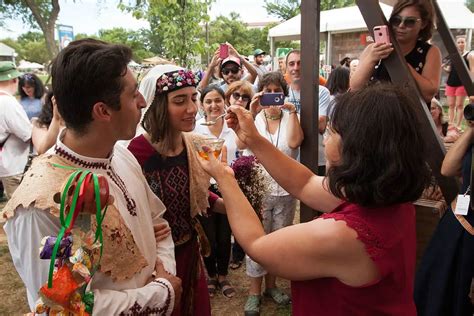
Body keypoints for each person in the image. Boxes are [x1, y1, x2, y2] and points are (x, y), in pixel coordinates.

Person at [199, 83, 430, 315]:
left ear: (357, 148)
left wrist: (224, 177)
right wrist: (254, 139)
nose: (325, 140)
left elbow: (257, 247)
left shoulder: (342, 237)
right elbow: (305, 183)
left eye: (331, 132)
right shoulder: (389, 198)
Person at [1, 39, 180, 314]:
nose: (143, 101)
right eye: (134, 95)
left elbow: (158, 225)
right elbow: (61, 306)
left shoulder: (121, 155)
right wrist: (159, 294)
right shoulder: (39, 206)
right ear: (103, 111)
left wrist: (162, 268)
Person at [128, 64, 225, 316]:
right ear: (158, 105)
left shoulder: (192, 144)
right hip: (155, 262)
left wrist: (228, 204)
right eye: (179, 101)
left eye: (194, 98)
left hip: (190, 250)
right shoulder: (136, 153)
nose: (192, 108)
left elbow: (196, 190)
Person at [240, 71, 303, 316]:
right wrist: (253, 112)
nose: (273, 96)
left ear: (284, 94)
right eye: (268, 92)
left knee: (279, 241)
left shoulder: (291, 117)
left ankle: (272, 286)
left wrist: (294, 112)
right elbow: (244, 143)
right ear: (261, 93)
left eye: (277, 91)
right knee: (258, 241)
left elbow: (295, 143)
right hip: (261, 189)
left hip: (287, 190)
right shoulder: (255, 118)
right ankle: (254, 292)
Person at [415, 120, 474, 316]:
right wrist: (471, 130)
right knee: (437, 296)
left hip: (467, 234)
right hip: (456, 228)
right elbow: (447, 169)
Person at [350, 0, 442, 104]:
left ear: (424, 23)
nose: (401, 25)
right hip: (372, 114)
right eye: (396, 20)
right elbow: (355, 88)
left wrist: (404, 66)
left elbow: (428, 94)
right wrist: (371, 59)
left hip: (408, 116)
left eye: (410, 21)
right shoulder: (373, 49)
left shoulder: (430, 52)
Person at [194, 85, 238, 298]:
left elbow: (240, 155)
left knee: (224, 234)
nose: (213, 105)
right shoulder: (194, 129)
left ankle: (223, 275)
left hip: (227, 185)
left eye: (217, 100)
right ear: (202, 105)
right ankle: (211, 274)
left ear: (225, 102)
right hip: (203, 187)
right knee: (208, 234)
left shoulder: (232, 128)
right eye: (208, 101)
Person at [0, 61, 32, 199]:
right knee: (21, 210)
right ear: (14, 79)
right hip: (15, 165)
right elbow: (27, 133)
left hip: (6, 164)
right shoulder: (8, 103)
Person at [444, 36, 474, 127]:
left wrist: (471, 83)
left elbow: (472, 70)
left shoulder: (469, 55)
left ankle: (458, 126)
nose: (461, 44)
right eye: (459, 42)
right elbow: (450, 70)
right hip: (450, 83)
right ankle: (451, 125)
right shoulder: (453, 55)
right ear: (456, 44)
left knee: (459, 105)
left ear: (465, 43)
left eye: (462, 42)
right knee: (451, 105)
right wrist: (445, 69)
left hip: (462, 83)